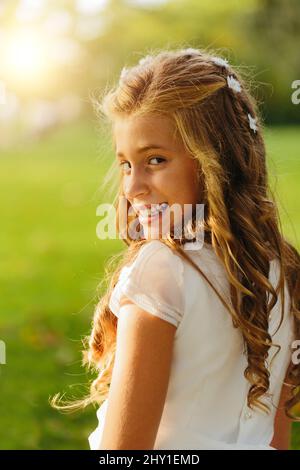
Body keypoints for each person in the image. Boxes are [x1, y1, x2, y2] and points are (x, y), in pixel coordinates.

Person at [51, 47, 300, 450]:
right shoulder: (281, 268)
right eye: (126, 164)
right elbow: (275, 442)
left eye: (155, 160)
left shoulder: (162, 271)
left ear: (215, 158)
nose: (132, 188)